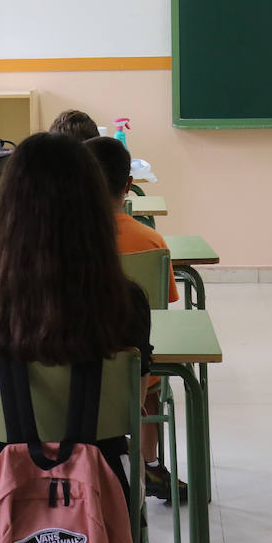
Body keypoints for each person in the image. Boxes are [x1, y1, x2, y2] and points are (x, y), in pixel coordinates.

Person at [0, 133, 154, 499]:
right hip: (102, 494)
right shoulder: (127, 301)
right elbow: (132, 405)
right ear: (98, 208)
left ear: (8, 209)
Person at [85, 135, 187, 501]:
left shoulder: (64, 240)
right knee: (144, 368)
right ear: (128, 186)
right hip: (132, 376)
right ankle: (151, 464)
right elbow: (161, 311)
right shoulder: (151, 241)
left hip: (69, 374)